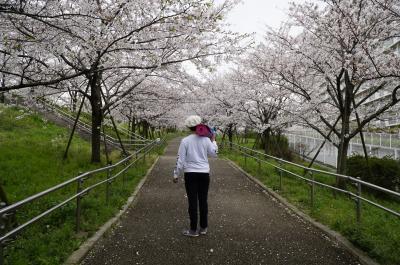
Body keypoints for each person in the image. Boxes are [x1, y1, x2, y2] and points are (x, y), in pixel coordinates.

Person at [173, 115, 218, 237]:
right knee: (203, 201)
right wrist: (213, 140)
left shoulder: (185, 141)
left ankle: (193, 230)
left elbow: (180, 159)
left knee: (192, 201)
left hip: (190, 174)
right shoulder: (206, 140)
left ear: (188, 127)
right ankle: (203, 228)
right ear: (200, 125)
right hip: (204, 174)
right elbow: (214, 154)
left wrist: (176, 174)